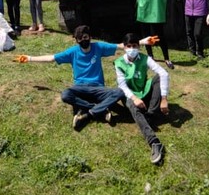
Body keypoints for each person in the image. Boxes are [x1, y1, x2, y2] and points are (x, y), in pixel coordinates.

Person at [14, 25, 159, 130]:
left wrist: (143, 42)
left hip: (98, 88)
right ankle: (99, 110)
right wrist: (30, 58)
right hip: (80, 88)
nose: (84, 40)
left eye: (86, 37)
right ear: (76, 40)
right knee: (65, 95)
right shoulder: (72, 52)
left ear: (90, 37)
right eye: (81, 38)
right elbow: (51, 58)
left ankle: (87, 112)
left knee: (119, 92)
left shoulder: (98, 47)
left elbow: (122, 46)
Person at [114, 0, 177, 69]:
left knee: (160, 37)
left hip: (157, 14)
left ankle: (167, 58)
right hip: (144, 14)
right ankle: (150, 56)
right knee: (146, 36)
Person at [115, 33, 170, 165]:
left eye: (134, 46)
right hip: (130, 95)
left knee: (158, 78)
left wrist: (164, 98)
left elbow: (164, 73)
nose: (132, 49)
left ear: (139, 47)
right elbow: (122, 85)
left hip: (143, 90)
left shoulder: (145, 58)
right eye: (129, 46)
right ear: (124, 47)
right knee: (132, 105)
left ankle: (149, 115)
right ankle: (154, 142)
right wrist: (134, 98)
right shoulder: (119, 63)